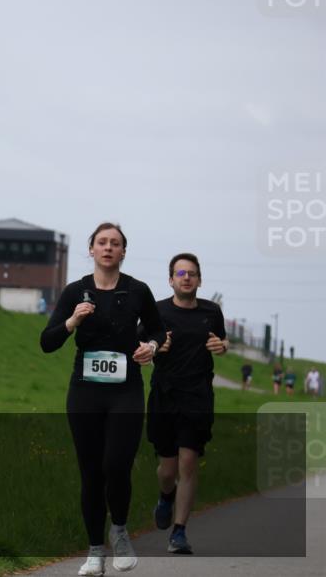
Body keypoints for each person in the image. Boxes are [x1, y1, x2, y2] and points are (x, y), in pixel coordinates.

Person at [40, 223, 166, 576]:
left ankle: (121, 532)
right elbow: (47, 342)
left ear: (123, 252)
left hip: (125, 389)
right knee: (91, 472)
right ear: (91, 249)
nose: (108, 248)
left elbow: (156, 329)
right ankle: (95, 551)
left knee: (117, 465)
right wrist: (71, 321)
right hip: (85, 391)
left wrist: (151, 347)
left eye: (115, 243)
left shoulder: (138, 291)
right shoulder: (75, 291)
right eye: (102, 242)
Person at [147, 253, 228, 555]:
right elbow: (141, 347)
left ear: (199, 279)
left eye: (192, 273)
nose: (186, 277)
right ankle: (165, 497)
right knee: (167, 470)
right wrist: (156, 347)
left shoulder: (211, 311)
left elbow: (222, 341)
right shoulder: (156, 311)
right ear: (171, 279)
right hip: (165, 395)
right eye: (180, 273)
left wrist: (222, 346)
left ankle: (179, 532)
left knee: (189, 462)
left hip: (197, 396)